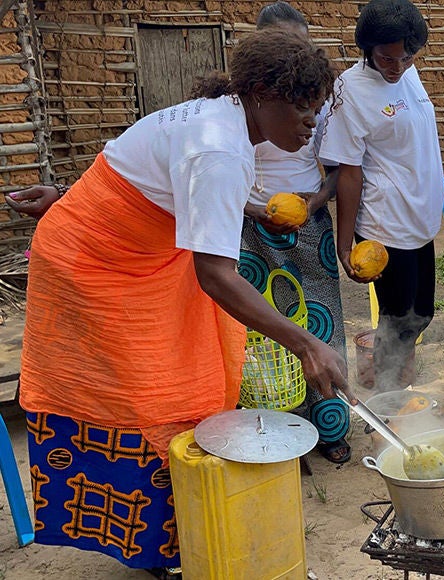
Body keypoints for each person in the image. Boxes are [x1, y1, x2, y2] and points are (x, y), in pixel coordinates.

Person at [7, 30, 352, 576]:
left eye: (318, 111)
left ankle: (184, 525)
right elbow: (216, 275)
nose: (313, 125)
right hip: (97, 268)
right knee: (151, 402)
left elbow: (149, 174)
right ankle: (155, 544)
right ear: (261, 92)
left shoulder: (223, 116)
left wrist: (255, 211)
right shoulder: (219, 148)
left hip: (141, 257)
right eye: (303, 110)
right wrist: (307, 343)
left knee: (202, 379)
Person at [241, 1, 351, 463]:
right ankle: (280, 434)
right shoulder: (243, 102)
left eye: (301, 45)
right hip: (253, 226)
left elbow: (337, 168)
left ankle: (331, 427)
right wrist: (255, 209)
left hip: (309, 223)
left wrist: (315, 202)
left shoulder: (318, 98)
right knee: (266, 329)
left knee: (322, 320)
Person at [319, 0, 443, 392]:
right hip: (385, 225)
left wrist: (405, 66)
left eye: (406, 58)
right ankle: (388, 402)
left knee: (419, 315)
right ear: (367, 50)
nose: (397, 67)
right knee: (397, 321)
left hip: (419, 220)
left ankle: (393, 385)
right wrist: (344, 243)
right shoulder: (351, 91)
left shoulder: (408, 72)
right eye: (387, 59)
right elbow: (348, 171)